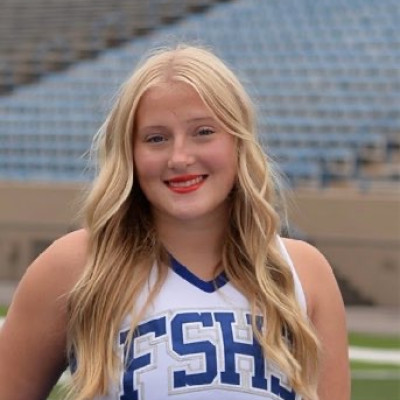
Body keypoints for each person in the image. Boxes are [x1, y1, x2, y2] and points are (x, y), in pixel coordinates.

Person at [0, 44, 350, 400]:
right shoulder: (76, 265)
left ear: (238, 142)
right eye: (156, 138)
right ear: (130, 153)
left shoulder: (304, 272)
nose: (179, 158)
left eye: (203, 132)